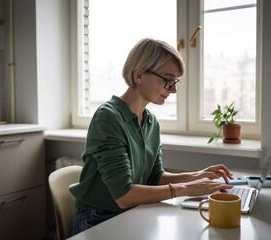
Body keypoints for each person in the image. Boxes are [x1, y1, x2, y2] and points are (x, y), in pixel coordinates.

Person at [69, 38, 234, 234]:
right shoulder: (108, 118)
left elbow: (155, 177)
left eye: (175, 82)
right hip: (99, 219)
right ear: (139, 75)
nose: (173, 89)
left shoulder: (150, 121)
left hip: (133, 212)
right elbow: (124, 195)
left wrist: (199, 176)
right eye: (167, 80)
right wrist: (188, 188)